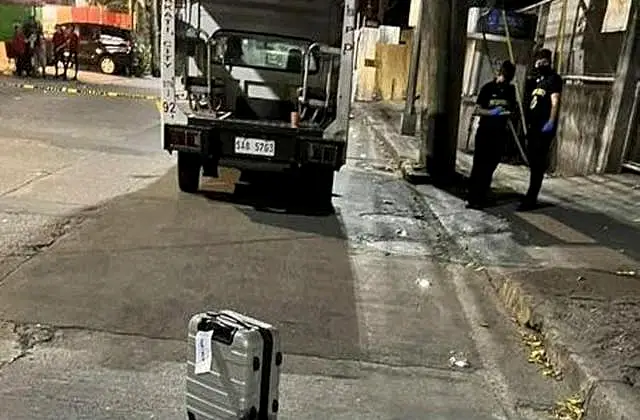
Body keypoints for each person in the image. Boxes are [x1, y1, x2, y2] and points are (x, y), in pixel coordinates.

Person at [466, 60, 517, 209]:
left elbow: (512, 110)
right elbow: (477, 110)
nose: (505, 80)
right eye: (504, 77)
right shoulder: (488, 88)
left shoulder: (510, 90)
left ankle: (481, 196)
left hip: (500, 133)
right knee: (479, 165)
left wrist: (506, 113)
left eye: (508, 78)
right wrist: (491, 113)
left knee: (490, 166)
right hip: (485, 132)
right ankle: (472, 197)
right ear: (500, 73)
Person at [519, 48, 562, 211]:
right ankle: (530, 195)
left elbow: (555, 101)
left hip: (544, 127)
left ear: (548, 62)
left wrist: (551, 121)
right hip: (533, 127)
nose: (539, 64)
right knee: (533, 161)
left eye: (542, 61)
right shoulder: (539, 80)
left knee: (538, 164)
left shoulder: (553, 79)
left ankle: (531, 198)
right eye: (538, 61)